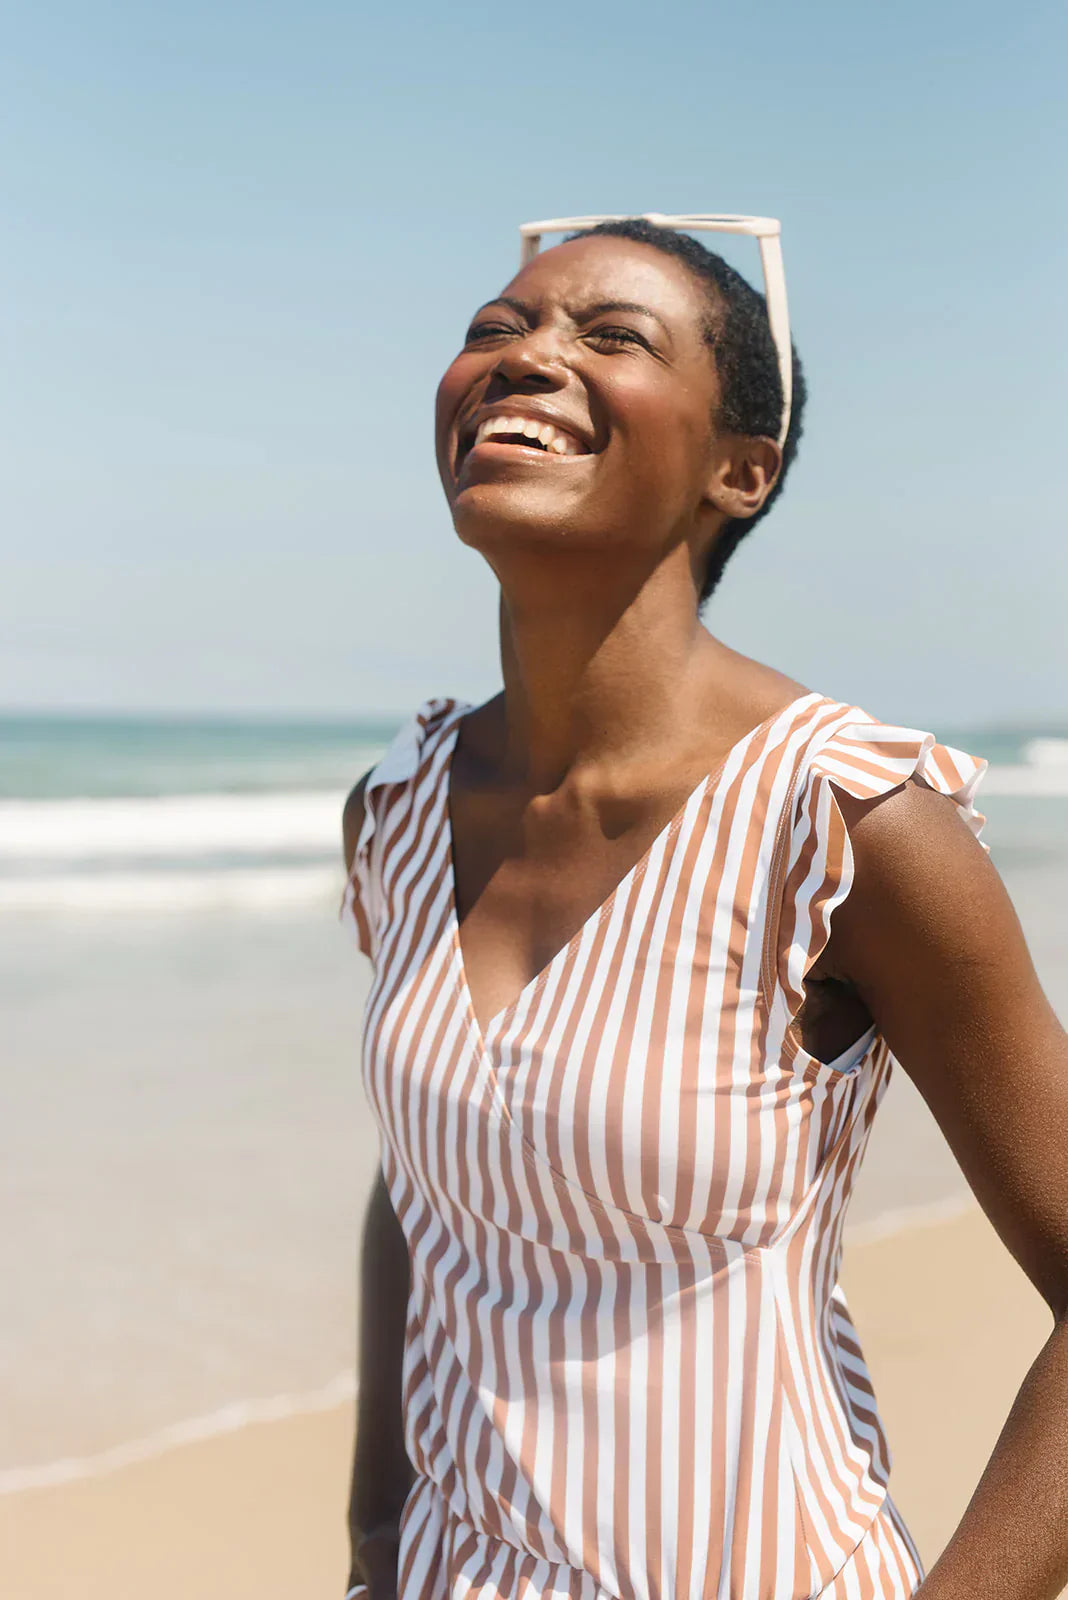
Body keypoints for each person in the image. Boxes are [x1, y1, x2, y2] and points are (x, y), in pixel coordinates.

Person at [339, 218, 1068, 1600]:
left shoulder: (844, 825)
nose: (525, 359)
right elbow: (421, 1181)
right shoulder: (402, 806)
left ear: (743, 470)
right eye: (497, 329)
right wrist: (378, 1535)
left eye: (610, 339)